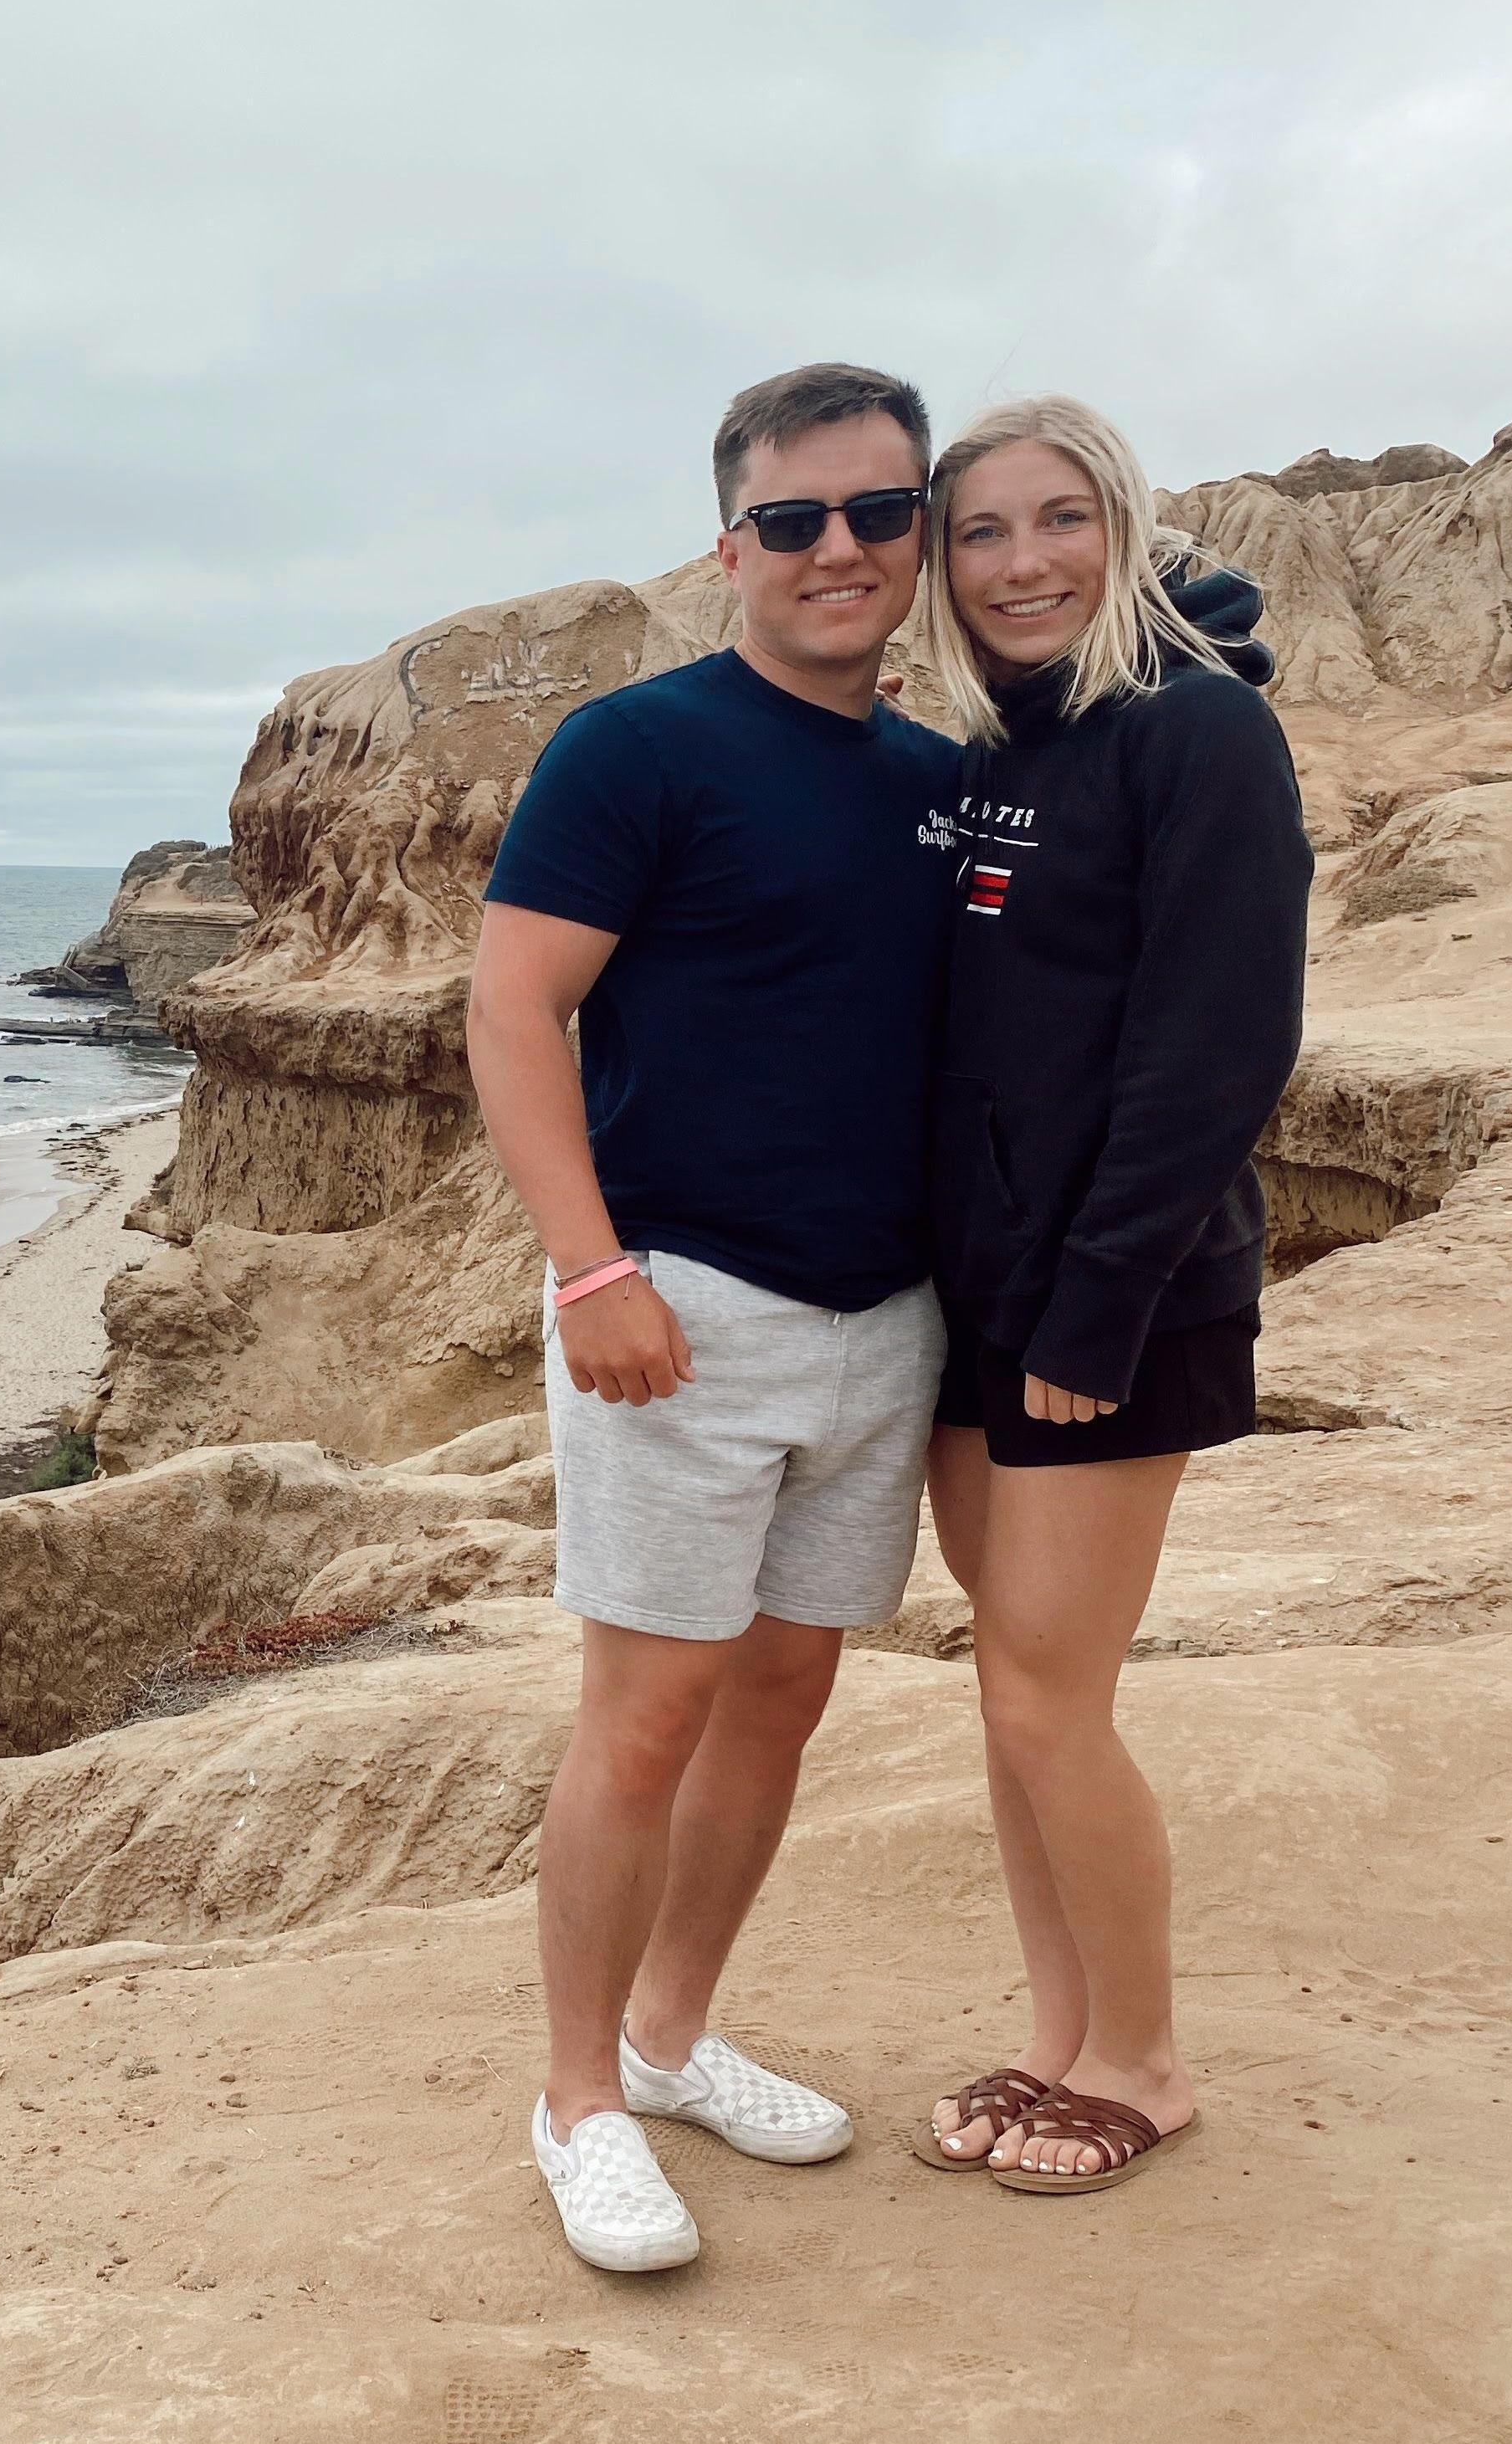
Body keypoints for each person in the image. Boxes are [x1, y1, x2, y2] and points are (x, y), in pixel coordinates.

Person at [467, 362, 963, 2271]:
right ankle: (576, 2099)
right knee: (649, 1707)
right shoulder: (636, 746)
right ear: (729, 543)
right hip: (681, 1306)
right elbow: (515, 1009)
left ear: (918, 532)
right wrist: (591, 1269)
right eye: (795, 517)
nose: (842, 548)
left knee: (785, 1690)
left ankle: (670, 2043)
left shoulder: (937, 784)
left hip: (884, 1316)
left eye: (880, 512)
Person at [910, 396, 1312, 2194]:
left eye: (1060, 519)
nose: (1023, 563)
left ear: (1125, 528)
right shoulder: (997, 744)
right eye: (981, 532)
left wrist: (1093, 1307)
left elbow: (1216, 1048)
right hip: (979, 1291)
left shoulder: (1198, 729)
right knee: (1010, 1692)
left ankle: (1143, 2060)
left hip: (1113, 1305)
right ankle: (1058, 2036)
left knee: (1048, 1696)